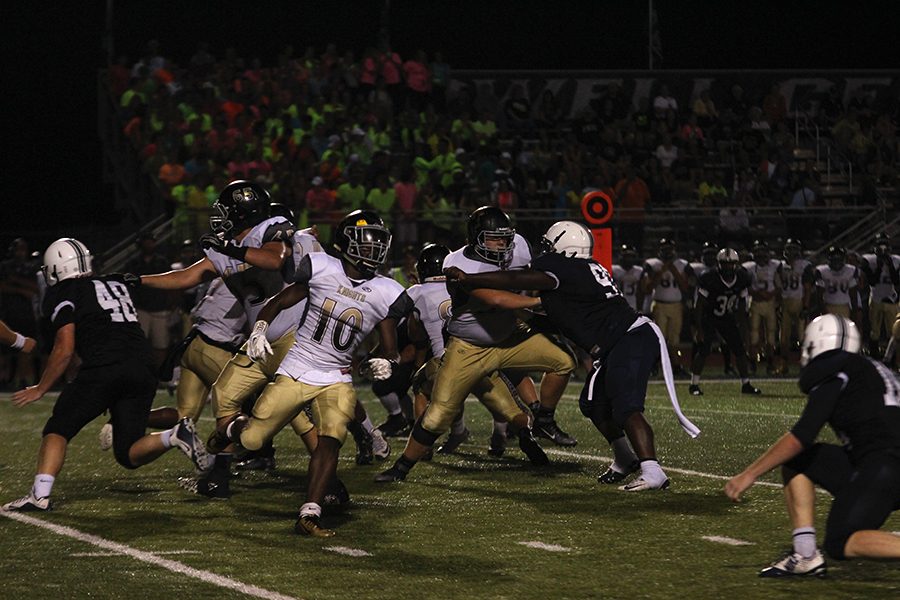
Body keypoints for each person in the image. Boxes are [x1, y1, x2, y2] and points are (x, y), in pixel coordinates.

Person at [444, 220, 701, 490]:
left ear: (563, 248)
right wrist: (521, 315)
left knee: (626, 408)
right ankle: (625, 458)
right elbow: (566, 320)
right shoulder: (582, 272)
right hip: (618, 341)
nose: (545, 252)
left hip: (629, 338)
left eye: (551, 245)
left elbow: (518, 278)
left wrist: (470, 278)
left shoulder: (565, 268)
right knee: (593, 404)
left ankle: (652, 470)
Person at [224, 210, 409, 537]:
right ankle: (229, 429)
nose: (373, 252)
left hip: (336, 377)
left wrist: (387, 362)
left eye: (377, 246)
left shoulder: (386, 290)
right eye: (366, 246)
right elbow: (278, 302)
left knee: (331, 438)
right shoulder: (323, 267)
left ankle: (310, 512)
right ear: (345, 244)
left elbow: (390, 346)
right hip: (297, 369)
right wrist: (258, 332)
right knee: (252, 439)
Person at [1, 238, 208, 512]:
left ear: (55, 268)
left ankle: (39, 496)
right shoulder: (114, 283)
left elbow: (64, 348)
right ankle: (173, 435)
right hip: (143, 366)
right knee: (128, 453)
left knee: (58, 429)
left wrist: (41, 387)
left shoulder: (64, 291)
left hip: (105, 365)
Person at [375, 206, 574, 484]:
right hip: (469, 346)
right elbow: (496, 299)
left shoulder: (520, 247)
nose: (503, 244)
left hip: (509, 335)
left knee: (563, 361)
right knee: (437, 415)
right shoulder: (457, 264)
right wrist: (540, 303)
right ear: (476, 237)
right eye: (494, 238)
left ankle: (544, 421)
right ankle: (402, 467)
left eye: (505, 238)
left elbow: (537, 273)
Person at [725, 315, 900, 576]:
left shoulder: (836, 370)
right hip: (875, 462)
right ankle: (805, 555)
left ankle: (810, 553)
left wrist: (749, 474)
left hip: (886, 465)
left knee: (840, 541)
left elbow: (801, 435)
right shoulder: (872, 369)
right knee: (800, 461)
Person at [689, 249, 762, 396]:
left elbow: (742, 307)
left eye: (731, 264)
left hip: (727, 317)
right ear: (719, 264)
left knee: (740, 350)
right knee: (704, 349)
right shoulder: (709, 278)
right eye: (725, 264)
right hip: (708, 316)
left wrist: (743, 328)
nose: (728, 267)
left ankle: (746, 384)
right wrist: (699, 328)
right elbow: (699, 305)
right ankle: (694, 384)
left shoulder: (742, 278)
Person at [642, 238, 692, 375]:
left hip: (676, 305)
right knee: (659, 338)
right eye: (665, 248)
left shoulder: (682, 265)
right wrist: (663, 270)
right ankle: (654, 366)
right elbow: (647, 288)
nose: (667, 251)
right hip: (659, 304)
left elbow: (685, 286)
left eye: (669, 248)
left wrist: (673, 270)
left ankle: (675, 366)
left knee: (674, 339)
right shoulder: (653, 264)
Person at [743, 240, 783, 375]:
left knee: (771, 336)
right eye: (758, 252)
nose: (760, 255)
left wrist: (770, 294)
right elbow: (746, 286)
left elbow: (779, 286)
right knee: (754, 335)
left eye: (762, 252)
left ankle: (770, 363)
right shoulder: (749, 268)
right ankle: (752, 362)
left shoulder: (775, 267)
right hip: (755, 303)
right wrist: (757, 293)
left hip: (769, 303)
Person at [859, 233, 899, 358]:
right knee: (874, 331)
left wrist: (890, 266)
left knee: (893, 331)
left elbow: (896, 281)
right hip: (876, 298)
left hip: (892, 298)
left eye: (885, 246)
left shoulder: (896, 260)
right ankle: (874, 356)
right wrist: (880, 266)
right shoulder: (868, 260)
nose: (883, 250)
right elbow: (872, 281)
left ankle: (892, 358)